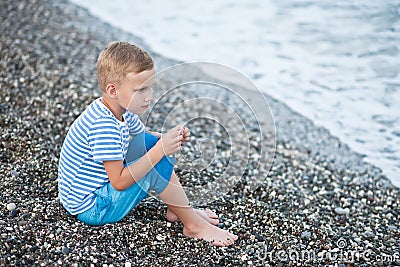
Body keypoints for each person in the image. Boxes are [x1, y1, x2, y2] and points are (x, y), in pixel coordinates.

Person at [58, 41, 238, 246]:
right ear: (113, 90)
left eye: (150, 88)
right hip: (92, 207)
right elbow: (119, 182)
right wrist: (161, 150)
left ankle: (177, 208)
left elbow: (145, 136)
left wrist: (170, 137)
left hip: (96, 193)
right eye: (141, 90)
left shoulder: (120, 110)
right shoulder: (103, 126)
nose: (149, 97)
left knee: (154, 144)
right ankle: (193, 226)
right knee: (155, 160)